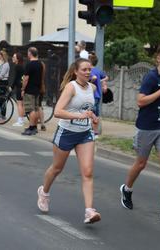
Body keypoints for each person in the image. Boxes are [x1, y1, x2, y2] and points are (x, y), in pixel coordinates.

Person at [37, 58, 101, 224]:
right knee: (57, 168)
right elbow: (58, 111)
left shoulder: (92, 87)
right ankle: (44, 192)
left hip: (85, 133)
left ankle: (89, 211)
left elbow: (86, 108)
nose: (88, 72)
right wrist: (79, 116)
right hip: (66, 132)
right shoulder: (71, 87)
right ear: (76, 72)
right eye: (84, 70)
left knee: (87, 172)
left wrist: (92, 117)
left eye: (90, 70)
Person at [120, 42, 160, 220]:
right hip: (146, 127)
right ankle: (126, 189)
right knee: (141, 163)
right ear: (158, 58)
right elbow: (141, 101)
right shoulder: (151, 78)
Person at [21, 47, 42, 135]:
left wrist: (23, 89)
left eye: (28, 52)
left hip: (29, 89)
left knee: (31, 109)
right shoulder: (40, 64)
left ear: (30, 53)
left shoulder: (30, 64)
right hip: (37, 89)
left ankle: (31, 127)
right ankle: (35, 127)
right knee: (36, 108)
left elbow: (26, 78)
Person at [88, 52, 109, 136]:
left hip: (92, 95)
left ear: (89, 62)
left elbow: (94, 77)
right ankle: (95, 131)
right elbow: (106, 77)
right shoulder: (98, 70)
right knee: (96, 113)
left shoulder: (90, 71)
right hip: (98, 95)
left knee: (91, 112)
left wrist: (91, 82)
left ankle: (93, 130)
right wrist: (100, 82)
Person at [11, 52, 25, 126]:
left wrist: (12, 87)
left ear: (17, 59)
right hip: (22, 85)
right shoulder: (21, 66)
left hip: (19, 86)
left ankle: (20, 121)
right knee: (22, 104)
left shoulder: (17, 66)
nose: (12, 58)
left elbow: (16, 78)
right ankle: (22, 118)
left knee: (19, 104)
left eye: (14, 57)